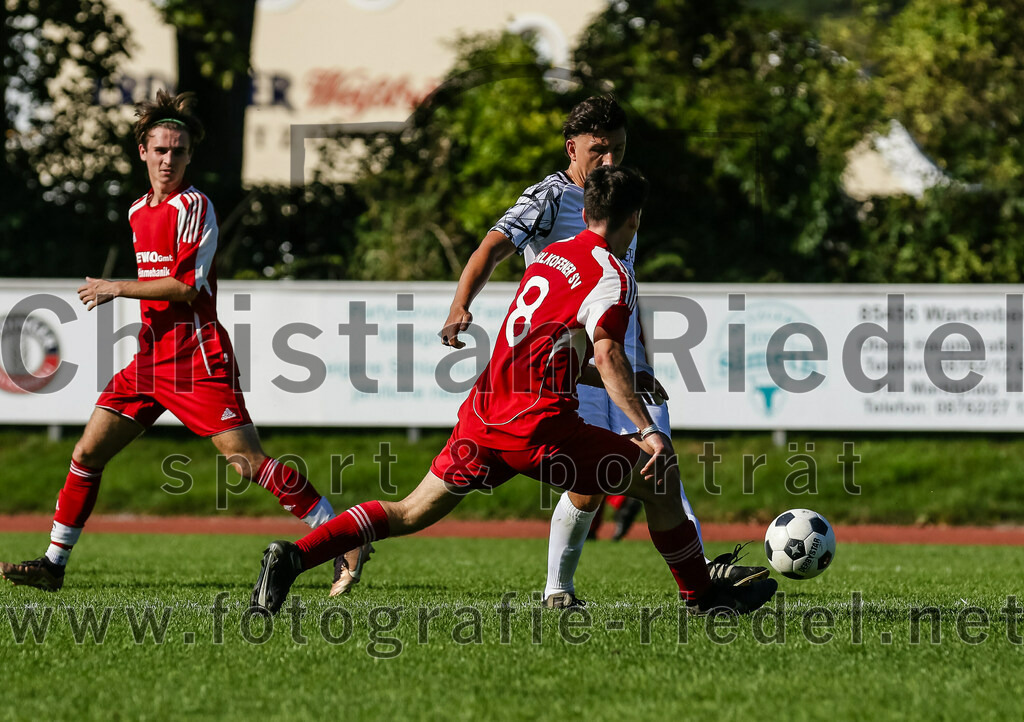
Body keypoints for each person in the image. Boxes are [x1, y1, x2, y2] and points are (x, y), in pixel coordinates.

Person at [251, 166, 778, 616]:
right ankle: (700, 594)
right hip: (538, 427)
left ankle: (294, 557)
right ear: (635, 219)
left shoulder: (554, 257)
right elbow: (607, 351)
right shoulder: (613, 273)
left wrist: (621, 381)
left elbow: (554, 354)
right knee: (659, 476)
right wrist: (645, 427)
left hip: (483, 418)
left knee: (410, 512)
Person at [0, 91, 338, 592]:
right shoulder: (139, 211)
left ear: (188, 156)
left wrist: (116, 287)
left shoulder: (195, 205)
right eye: (160, 150)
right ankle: (53, 564)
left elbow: (184, 286)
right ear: (142, 151)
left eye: (177, 152)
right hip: (149, 359)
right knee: (87, 453)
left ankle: (342, 537)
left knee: (246, 464)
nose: (168, 160)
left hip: (195, 358)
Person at [440, 96, 768, 607]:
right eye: (599, 150)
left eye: (618, 148)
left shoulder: (619, 197)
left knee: (661, 463)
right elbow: (491, 248)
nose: (611, 161)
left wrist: (643, 353)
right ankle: (561, 589)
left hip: (622, 356)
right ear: (573, 148)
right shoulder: (549, 197)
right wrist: (461, 305)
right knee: (599, 480)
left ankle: (699, 578)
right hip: (573, 362)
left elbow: (625, 288)